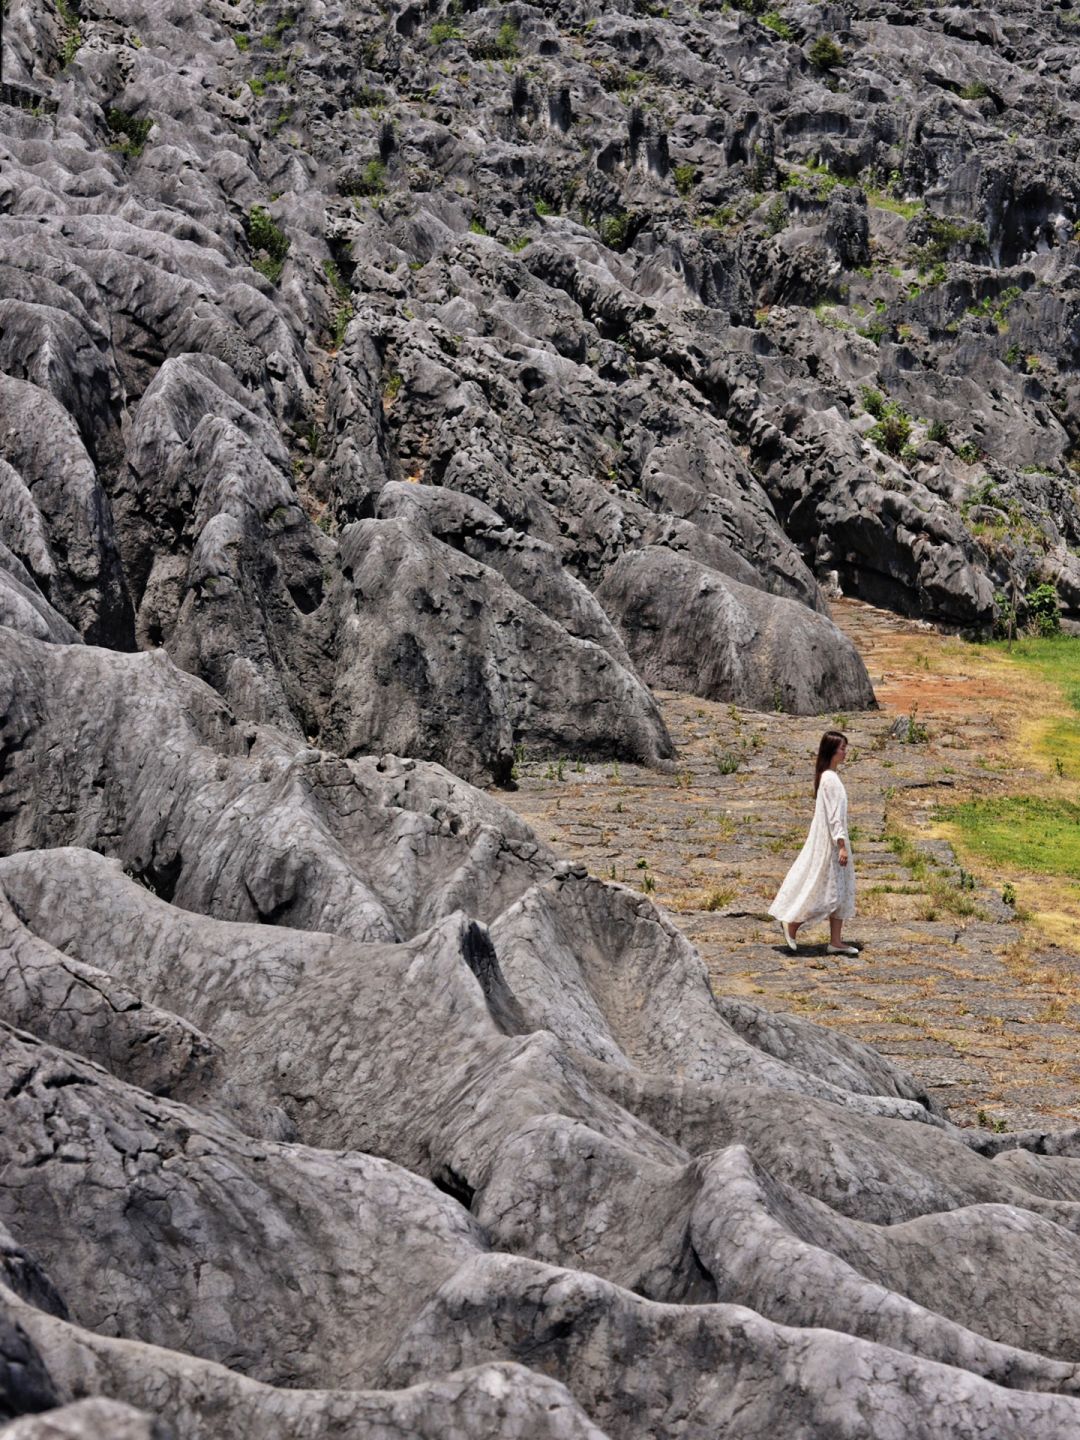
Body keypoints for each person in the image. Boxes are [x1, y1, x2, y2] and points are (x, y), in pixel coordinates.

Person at [768, 730, 858, 956]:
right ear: (832, 751)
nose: (845, 752)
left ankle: (835, 941)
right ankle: (793, 924)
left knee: (841, 890)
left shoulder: (829, 778)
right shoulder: (830, 779)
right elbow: (834, 815)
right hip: (832, 844)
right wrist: (841, 845)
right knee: (828, 891)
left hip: (835, 841)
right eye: (842, 748)